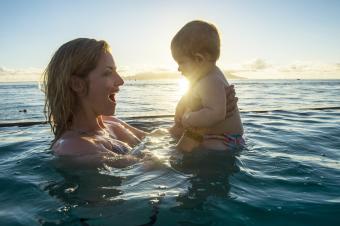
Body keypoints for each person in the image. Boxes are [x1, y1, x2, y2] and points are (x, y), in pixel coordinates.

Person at [43, 38, 238, 167]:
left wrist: (198, 113)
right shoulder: (71, 147)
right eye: (108, 73)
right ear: (77, 84)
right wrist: (197, 131)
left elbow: (164, 138)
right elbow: (152, 170)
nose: (120, 81)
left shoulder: (113, 124)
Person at [170, 20, 244, 152]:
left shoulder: (211, 81)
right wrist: (180, 107)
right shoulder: (204, 77)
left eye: (181, 62)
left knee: (199, 150)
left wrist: (188, 118)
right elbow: (191, 96)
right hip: (220, 137)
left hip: (225, 140)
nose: (178, 68)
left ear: (199, 59)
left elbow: (216, 114)